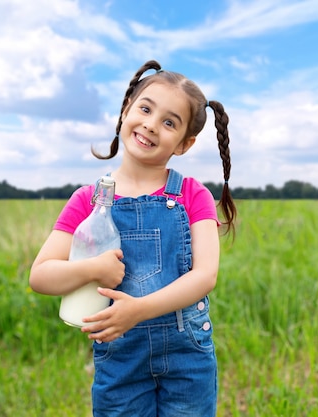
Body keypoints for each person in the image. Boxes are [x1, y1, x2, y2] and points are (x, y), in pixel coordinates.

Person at [29, 59, 236, 416]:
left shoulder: (192, 194)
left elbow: (205, 276)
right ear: (126, 110)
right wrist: (93, 268)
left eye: (169, 122)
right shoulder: (86, 200)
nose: (151, 125)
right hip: (120, 358)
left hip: (188, 356)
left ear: (184, 144)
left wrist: (137, 311)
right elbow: (41, 275)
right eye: (145, 109)